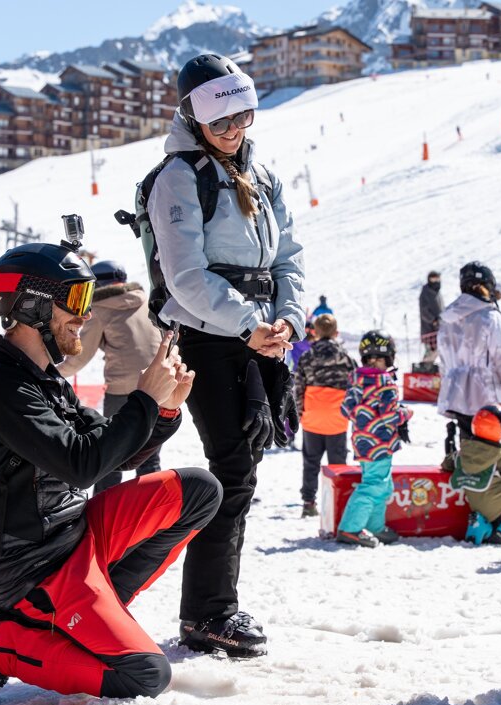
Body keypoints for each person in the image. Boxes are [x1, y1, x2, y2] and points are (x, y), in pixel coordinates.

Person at [0, 239, 221, 705]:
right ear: (30, 304)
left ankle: (94, 612)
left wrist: (165, 413)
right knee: (144, 676)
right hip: (33, 566)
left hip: (75, 534)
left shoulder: (42, 377)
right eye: (74, 301)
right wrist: (145, 400)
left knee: (198, 491)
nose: (85, 315)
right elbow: (81, 464)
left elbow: (113, 451)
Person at [149, 53, 305, 658]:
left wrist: (285, 319)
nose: (235, 129)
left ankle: (216, 608)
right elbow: (186, 275)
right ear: (192, 119)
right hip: (213, 339)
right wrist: (248, 325)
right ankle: (208, 614)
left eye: (243, 116)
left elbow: (287, 255)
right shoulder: (178, 177)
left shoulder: (261, 175)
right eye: (222, 122)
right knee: (232, 469)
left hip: (261, 335)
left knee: (245, 469)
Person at [57, 261, 164, 491]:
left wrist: (49, 374)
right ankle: (152, 515)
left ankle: (104, 515)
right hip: (156, 386)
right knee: (148, 457)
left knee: (112, 456)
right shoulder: (143, 300)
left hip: (123, 390)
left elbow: (80, 356)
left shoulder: (100, 309)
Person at [336, 330, 409, 547]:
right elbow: (389, 416)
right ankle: (350, 529)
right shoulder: (385, 381)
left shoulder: (356, 379)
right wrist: (405, 413)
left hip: (362, 442)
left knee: (382, 486)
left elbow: (345, 409)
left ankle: (376, 526)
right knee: (374, 486)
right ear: (388, 357)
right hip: (380, 443)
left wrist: (363, 418)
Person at [436, 261, 501, 442]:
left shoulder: (447, 319)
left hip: (457, 399)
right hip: (489, 399)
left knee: (470, 456)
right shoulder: (490, 316)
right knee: (497, 459)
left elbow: (444, 362)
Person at [441, 403, 501, 546]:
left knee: (496, 530)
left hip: (476, 505)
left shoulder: (464, 452)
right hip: (499, 502)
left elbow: (447, 463)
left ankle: (480, 525)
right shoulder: (499, 455)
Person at [294, 314, 356, 517]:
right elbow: (354, 388)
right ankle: (340, 503)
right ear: (336, 333)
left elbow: (298, 389)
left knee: (311, 462)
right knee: (337, 462)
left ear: (315, 332)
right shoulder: (347, 358)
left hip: (313, 416)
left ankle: (309, 503)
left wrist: (300, 414)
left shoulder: (307, 357)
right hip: (337, 418)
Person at [417, 270, 444, 371]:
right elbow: (424, 311)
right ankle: (423, 370)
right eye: (433, 279)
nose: (436, 281)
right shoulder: (426, 292)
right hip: (429, 329)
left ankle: (428, 370)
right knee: (431, 351)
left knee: (437, 350)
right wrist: (433, 320)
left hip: (438, 328)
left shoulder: (437, 293)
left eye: (437, 278)